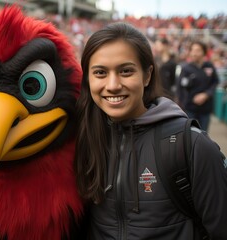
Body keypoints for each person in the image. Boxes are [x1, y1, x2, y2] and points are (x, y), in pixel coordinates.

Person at [74, 22, 227, 239]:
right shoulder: (81, 140)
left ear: (147, 75)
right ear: (87, 79)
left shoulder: (191, 146)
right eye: (100, 73)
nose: (113, 84)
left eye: (126, 71)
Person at [176, 40, 219, 132]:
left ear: (204, 52)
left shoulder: (209, 66)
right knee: (190, 135)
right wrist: (183, 104)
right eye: (193, 50)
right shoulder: (186, 68)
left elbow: (215, 82)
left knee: (203, 135)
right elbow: (180, 88)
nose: (194, 53)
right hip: (190, 109)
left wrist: (206, 94)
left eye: (198, 50)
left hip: (205, 109)